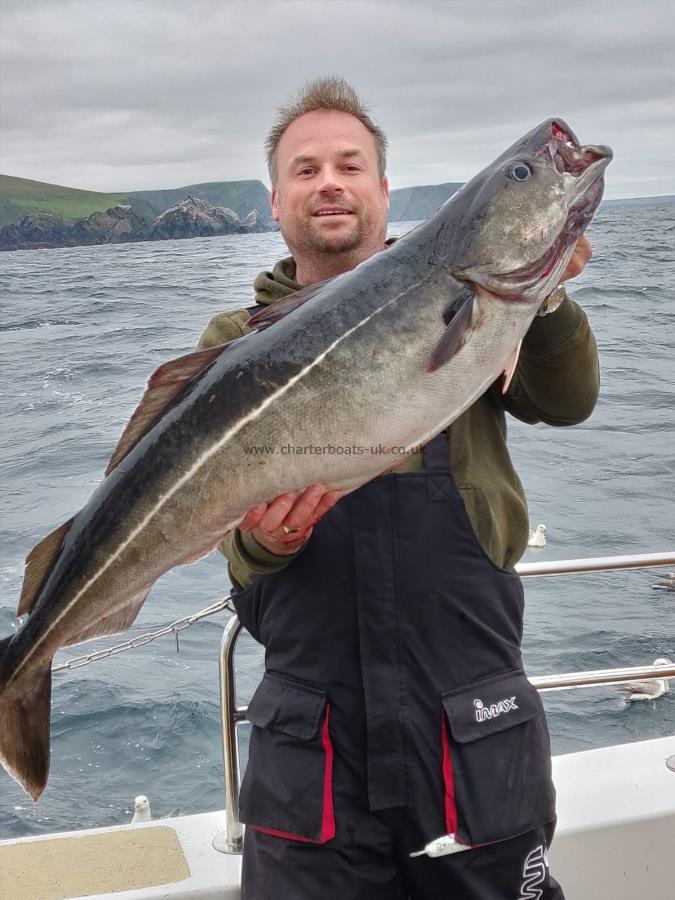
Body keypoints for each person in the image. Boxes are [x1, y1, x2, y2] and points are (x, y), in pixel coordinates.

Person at [198, 78, 598, 900]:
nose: (329, 183)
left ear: (385, 190)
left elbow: (567, 402)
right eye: (304, 170)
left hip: (469, 710)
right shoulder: (232, 346)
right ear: (275, 202)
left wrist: (543, 290)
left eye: (350, 165)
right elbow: (227, 544)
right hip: (312, 732)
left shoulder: (470, 298)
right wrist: (258, 542)